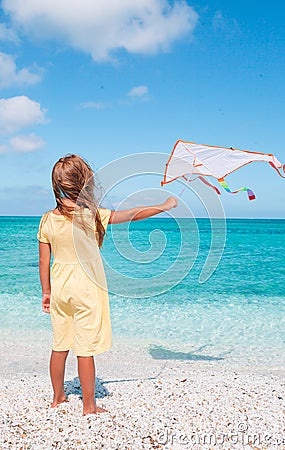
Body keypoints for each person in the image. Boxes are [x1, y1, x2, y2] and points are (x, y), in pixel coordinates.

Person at [37, 154, 177, 416]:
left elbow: (44, 261)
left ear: (57, 184)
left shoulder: (47, 219)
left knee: (59, 345)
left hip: (60, 290)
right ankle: (89, 406)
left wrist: (46, 292)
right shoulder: (91, 216)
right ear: (84, 183)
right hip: (86, 290)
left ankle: (58, 398)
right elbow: (133, 215)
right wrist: (164, 205)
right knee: (85, 349)